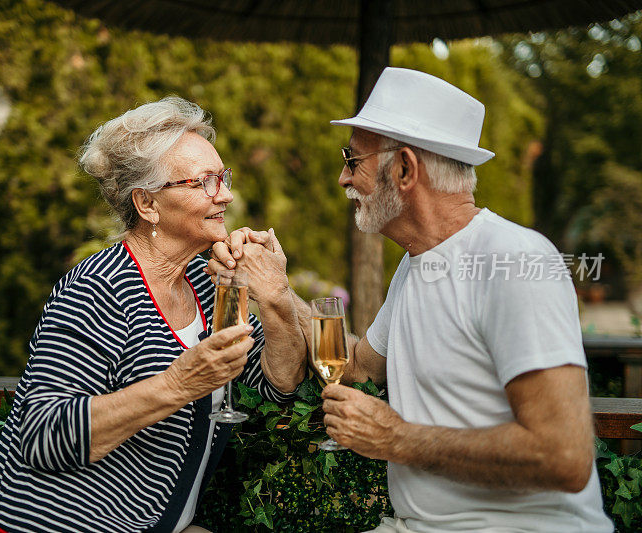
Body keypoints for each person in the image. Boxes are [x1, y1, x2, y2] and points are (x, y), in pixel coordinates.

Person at [210, 68, 613, 532]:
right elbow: (357, 364)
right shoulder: (418, 263)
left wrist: (397, 438)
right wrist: (277, 291)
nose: (343, 178)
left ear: (404, 168)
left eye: (352, 159)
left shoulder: (513, 261)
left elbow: (564, 457)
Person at [0, 96, 306, 533]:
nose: (225, 194)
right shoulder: (98, 289)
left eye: (223, 177)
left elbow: (277, 383)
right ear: (147, 203)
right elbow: (43, 437)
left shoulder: (208, 283)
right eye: (204, 182)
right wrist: (178, 384)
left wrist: (277, 297)